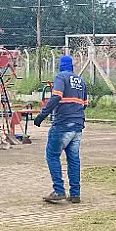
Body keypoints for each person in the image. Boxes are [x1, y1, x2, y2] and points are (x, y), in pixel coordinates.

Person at [33, 55, 87, 204]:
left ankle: (59, 190)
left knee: (52, 155)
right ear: (72, 66)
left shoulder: (61, 77)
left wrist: (42, 115)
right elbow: (85, 104)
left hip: (63, 124)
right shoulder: (80, 81)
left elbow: (56, 97)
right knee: (74, 159)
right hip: (77, 125)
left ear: (60, 66)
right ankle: (75, 194)